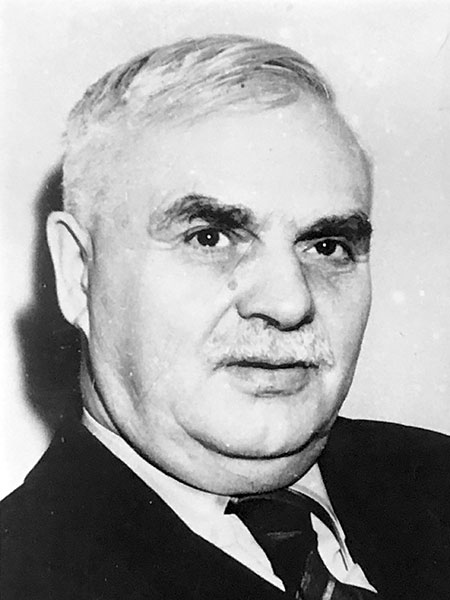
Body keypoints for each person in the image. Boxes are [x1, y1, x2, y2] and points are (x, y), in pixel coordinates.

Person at [1, 35, 449, 600]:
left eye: (327, 246)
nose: (289, 302)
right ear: (78, 272)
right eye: (209, 237)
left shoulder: (435, 479)